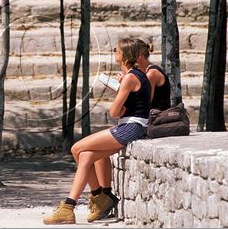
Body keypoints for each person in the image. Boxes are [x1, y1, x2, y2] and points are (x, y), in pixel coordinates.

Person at [43, 38, 151, 225]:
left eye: (116, 49)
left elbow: (114, 112)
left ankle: (88, 201)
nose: (114, 51)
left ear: (124, 55)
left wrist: (119, 96)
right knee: (85, 156)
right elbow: (127, 107)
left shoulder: (130, 77)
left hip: (132, 127)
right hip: (132, 125)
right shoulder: (135, 75)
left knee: (77, 148)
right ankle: (79, 204)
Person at [131, 39, 171, 111]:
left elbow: (145, 102)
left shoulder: (152, 74)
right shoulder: (141, 71)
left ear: (139, 55)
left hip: (158, 119)